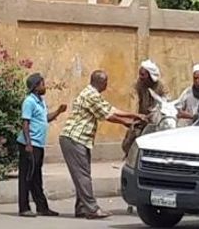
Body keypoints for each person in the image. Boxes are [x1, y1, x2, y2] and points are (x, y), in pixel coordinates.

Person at [60, 70, 146, 219]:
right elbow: (108, 115)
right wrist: (129, 120)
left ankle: (81, 207)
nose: (107, 85)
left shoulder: (92, 94)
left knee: (83, 174)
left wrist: (133, 117)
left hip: (80, 140)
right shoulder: (91, 95)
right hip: (74, 138)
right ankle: (92, 209)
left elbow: (111, 109)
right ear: (100, 82)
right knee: (83, 176)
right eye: (106, 82)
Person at [17, 73, 67, 217]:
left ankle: (42, 207)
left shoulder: (40, 101)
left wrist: (58, 111)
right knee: (26, 177)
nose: (45, 87)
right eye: (42, 84)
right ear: (35, 86)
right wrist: (28, 143)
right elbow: (25, 123)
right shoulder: (29, 101)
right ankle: (24, 208)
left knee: (36, 177)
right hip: (29, 144)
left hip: (38, 144)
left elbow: (44, 119)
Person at [122, 59, 168, 156]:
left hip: (157, 120)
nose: (140, 77)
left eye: (143, 75)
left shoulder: (161, 86)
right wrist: (136, 116)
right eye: (140, 74)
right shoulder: (138, 84)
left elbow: (165, 102)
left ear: (150, 75)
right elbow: (134, 100)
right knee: (131, 139)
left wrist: (154, 113)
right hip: (141, 118)